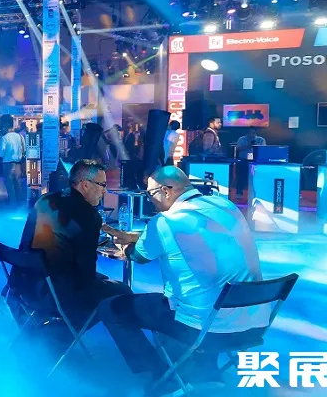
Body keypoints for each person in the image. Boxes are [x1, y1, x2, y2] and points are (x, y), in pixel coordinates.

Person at [98, 166, 268, 389]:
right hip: (252, 325)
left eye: (150, 194)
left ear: (166, 191)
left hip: (203, 328)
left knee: (111, 308)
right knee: (208, 291)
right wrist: (140, 236)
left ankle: (164, 374)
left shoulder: (165, 221)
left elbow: (137, 256)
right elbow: (198, 236)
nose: (150, 200)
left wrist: (125, 243)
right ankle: (207, 371)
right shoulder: (226, 206)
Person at [20, 159, 131, 327]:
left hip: (24, 286)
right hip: (58, 296)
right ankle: (63, 333)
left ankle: (57, 331)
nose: (105, 191)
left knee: (101, 282)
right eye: (102, 184)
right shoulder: (88, 215)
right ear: (85, 185)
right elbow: (86, 274)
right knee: (124, 291)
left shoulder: (45, 200)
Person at [0, 114, 25, 206]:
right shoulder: (20, 137)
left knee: (10, 187)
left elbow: (1, 153)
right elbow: (24, 150)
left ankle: (12, 206)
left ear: (4, 127)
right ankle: (20, 206)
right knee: (18, 186)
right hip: (18, 165)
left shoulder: (4, 138)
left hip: (7, 165)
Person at [235, 127, 266, 196]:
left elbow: (264, 150)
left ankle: (257, 194)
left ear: (256, 133)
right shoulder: (242, 139)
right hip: (244, 160)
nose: (251, 134)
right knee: (241, 177)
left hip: (256, 162)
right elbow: (238, 149)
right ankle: (239, 192)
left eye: (253, 133)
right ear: (247, 133)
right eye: (249, 133)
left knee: (256, 178)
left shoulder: (261, 140)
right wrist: (248, 146)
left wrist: (256, 146)